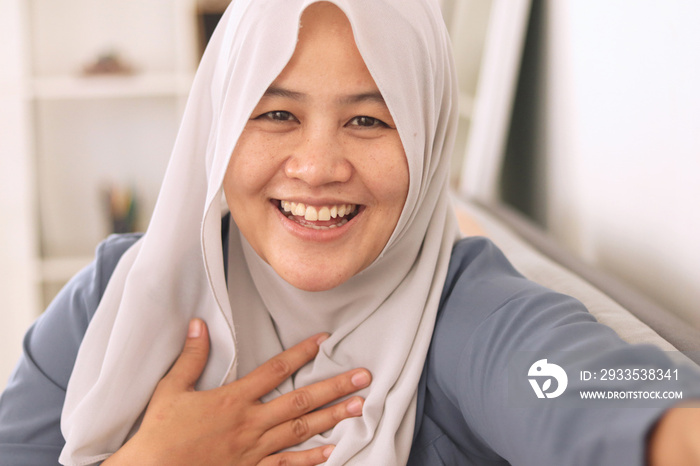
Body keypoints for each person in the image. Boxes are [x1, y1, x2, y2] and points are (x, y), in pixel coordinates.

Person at [2, 1, 700, 465]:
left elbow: (604, 389)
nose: (316, 167)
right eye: (276, 114)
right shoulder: (116, 297)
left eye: (369, 120)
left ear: (425, 141)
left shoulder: (465, 312)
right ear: (218, 128)